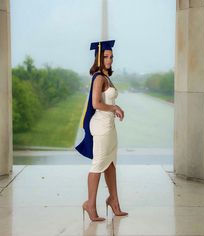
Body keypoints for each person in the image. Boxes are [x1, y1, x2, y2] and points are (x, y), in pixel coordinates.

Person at [75, 40, 128, 221]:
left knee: (111, 164)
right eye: (106, 56)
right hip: (101, 127)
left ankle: (114, 201)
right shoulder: (98, 77)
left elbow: (107, 100)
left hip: (110, 127)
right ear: (98, 57)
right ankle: (90, 204)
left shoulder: (106, 77)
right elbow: (96, 103)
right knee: (98, 165)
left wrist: (116, 106)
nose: (110, 60)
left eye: (111, 56)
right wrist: (114, 109)